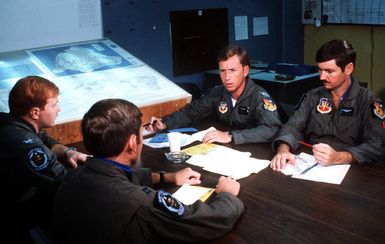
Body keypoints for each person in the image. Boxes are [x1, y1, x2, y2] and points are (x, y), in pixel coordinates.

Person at [52, 98, 244, 243]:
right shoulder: (142, 203)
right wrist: (227, 196)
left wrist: (167, 177)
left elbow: (115, 176)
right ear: (132, 142)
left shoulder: (72, 176)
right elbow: (208, 223)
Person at [270, 39, 385, 171]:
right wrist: (283, 149)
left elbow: (377, 145)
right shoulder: (313, 96)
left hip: (354, 171)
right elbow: (292, 127)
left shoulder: (368, 101)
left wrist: (340, 157)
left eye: (329, 71)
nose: (322, 77)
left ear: (348, 69)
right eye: (320, 70)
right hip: (310, 164)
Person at [0, 76, 89, 241]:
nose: (59, 109)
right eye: (54, 105)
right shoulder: (25, 143)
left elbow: (46, 140)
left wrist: (68, 152)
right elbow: (62, 182)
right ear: (35, 112)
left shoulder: (13, 123)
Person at [147, 45, 281, 144]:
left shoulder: (259, 97)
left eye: (232, 70)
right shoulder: (218, 93)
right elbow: (192, 111)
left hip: (255, 152)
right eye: (223, 71)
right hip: (226, 149)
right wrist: (165, 124)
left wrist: (231, 136)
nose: (227, 77)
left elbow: (272, 129)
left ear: (245, 71)